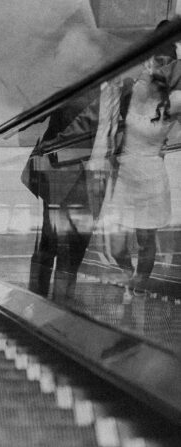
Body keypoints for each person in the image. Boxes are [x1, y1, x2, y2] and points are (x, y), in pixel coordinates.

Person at [100, 56, 181, 303]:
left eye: (149, 74)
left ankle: (140, 285)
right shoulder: (132, 93)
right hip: (126, 175)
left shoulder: (174, 102)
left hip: (152, 177)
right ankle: (126, 271)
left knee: (146, 240)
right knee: (116, 243)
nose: (144, 75)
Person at [22, 88, 101, 303]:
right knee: (63, 246)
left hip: (75, 172)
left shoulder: (107, 86)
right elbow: (36, 113)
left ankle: (45, 302)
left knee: (55, 243)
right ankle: (56, 307)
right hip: (64, 171)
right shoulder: (79, 82)